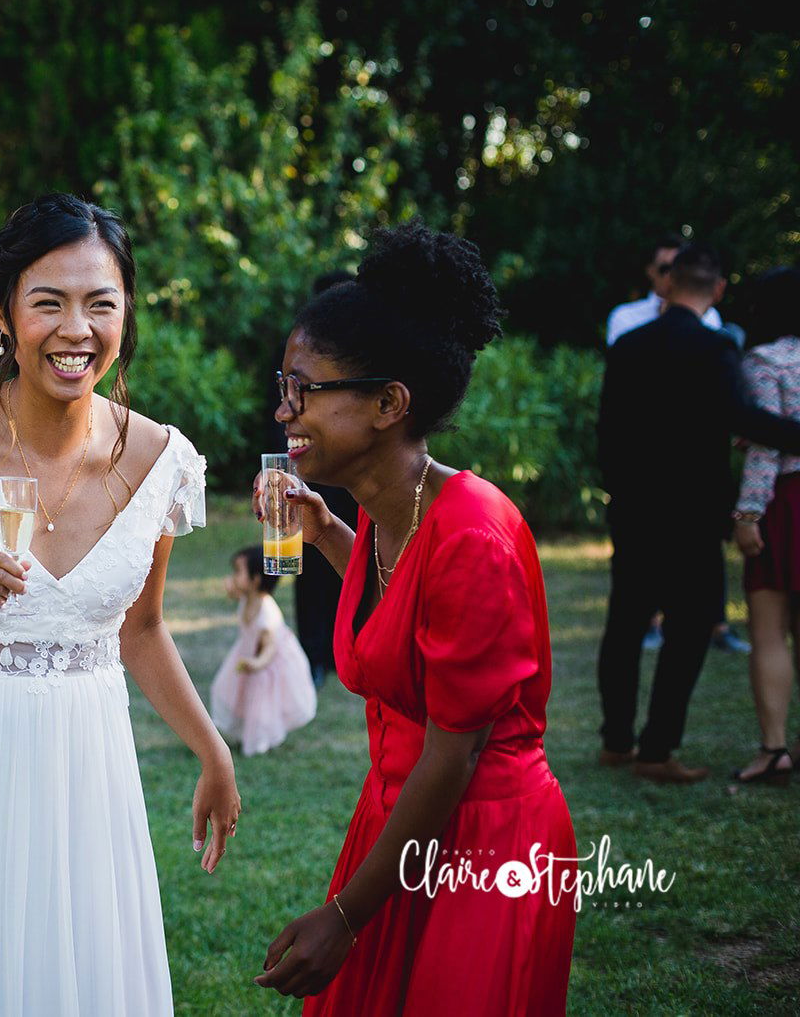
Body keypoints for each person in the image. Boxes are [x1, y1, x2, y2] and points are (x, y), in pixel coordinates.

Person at [0, 194, 240, 1017]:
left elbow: (143, 628)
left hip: (87, 773)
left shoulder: (163, 459)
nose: (76, 329)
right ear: (3, 313)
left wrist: (213, 751)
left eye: (101, 303)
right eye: (48, 302)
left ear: (127, 313)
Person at [253, 221, 576, 1014]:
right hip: (398, 824)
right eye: (283, 385)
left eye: (305, 389)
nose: (283, 410)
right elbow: (404, 617)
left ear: (388, 403)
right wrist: (325, 531)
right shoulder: (384, 505)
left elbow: (453, 756)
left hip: (481, 841)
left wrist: (343, 917)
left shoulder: (472, 533)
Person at [596, 244, 800, 783]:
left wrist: (616, 491)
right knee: (688, 631)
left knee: (624, 624)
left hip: (636, 509)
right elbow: (744, 418)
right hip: (692, 512)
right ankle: (657, 750)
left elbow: (607, 431)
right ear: (717, 289)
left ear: (670, 283)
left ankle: (616, 741)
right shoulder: (716, 348)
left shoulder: (630, 345)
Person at [266, 271, 360, 687]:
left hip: (350, 486)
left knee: (349, 561)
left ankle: (347, 650)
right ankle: (314, 655)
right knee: (307, 569)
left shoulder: (359, 362)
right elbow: (280, 420)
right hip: (304, 475)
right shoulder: (299, 353)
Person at [729, 265, 800, 785]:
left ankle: (775, 749)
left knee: (770, 630)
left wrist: (748, 513)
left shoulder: (764, 360)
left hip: (786, 500)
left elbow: (767, 447)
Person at [209, 545, 317, 755]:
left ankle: (259, 740)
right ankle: (243, 732)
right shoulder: (247, 597)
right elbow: (235, 596)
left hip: (267, 663)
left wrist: (257, 664)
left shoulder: (268, 614)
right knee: (234, 693)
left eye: (238, 572)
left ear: (255, 580)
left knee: (261, 706)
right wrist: (231, 588)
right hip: (247, 654)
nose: (234, 576)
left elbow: (269, 649)